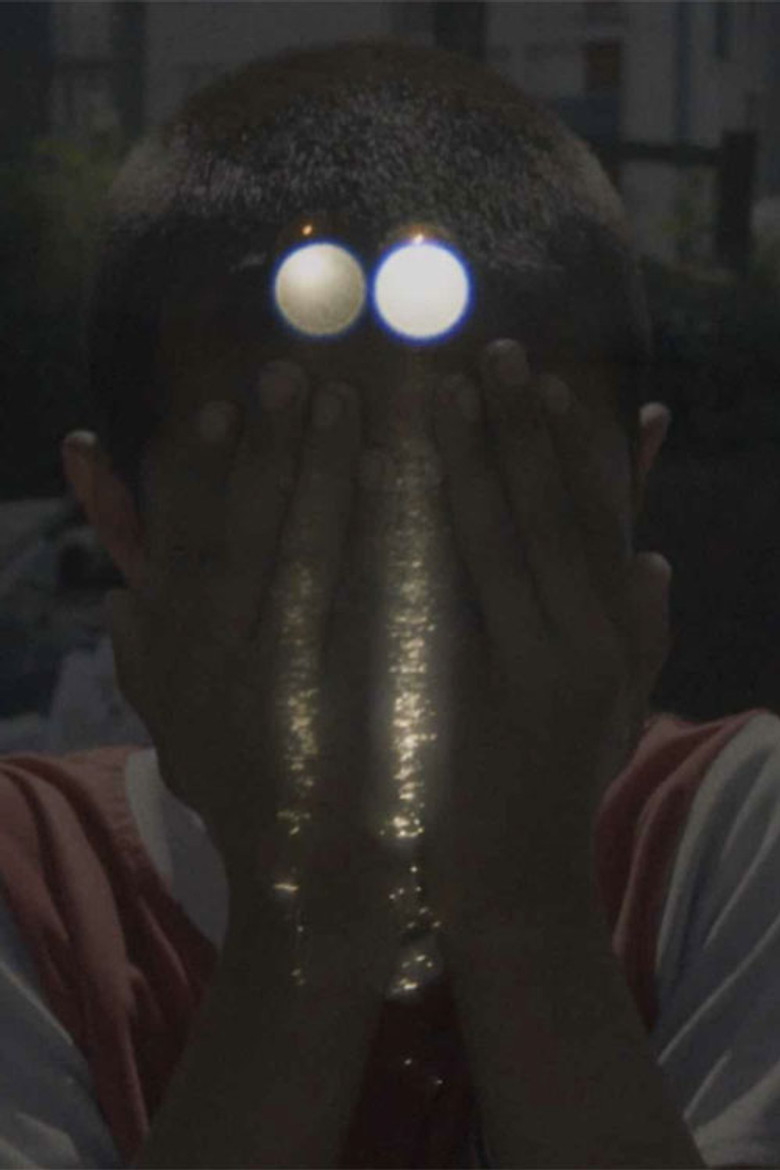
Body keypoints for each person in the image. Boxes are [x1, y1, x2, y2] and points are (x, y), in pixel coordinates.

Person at [0, 36, 778, 1169]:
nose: (400, 597)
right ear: (122, 519)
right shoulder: (35, 888)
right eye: (298, 503)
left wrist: (525, 903)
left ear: (630, 494)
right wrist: (308, 918)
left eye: (492, 497)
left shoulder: (733, 840)